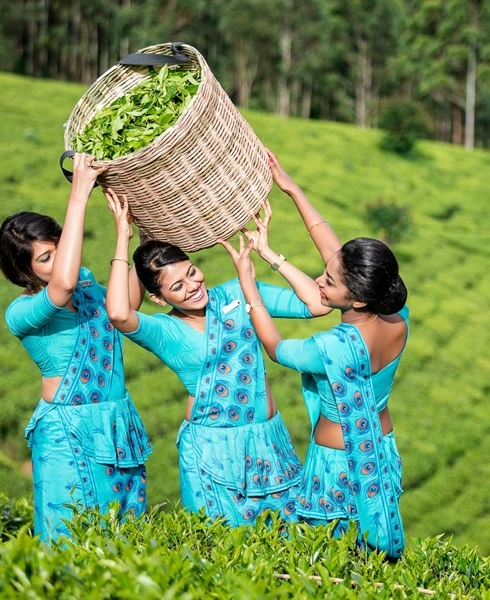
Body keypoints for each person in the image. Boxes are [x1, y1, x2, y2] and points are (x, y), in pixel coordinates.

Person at [220, 149, 409, 558]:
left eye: (328, 281)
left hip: (337, 466)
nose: (320, 281)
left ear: (357, 299)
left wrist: (248, 282)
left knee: (329, 564)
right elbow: (335, 253)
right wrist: (290, 188)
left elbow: (275, 348)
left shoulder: (330, 348)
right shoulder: (398, 317)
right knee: (371, 562)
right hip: (381, 449)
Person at [104, 190, 333, 527]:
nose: (193, 286)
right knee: (224, 550)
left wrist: (269, 255)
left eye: (192, 272)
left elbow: (317, 304)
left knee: (292, 542)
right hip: (213, 452)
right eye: (177, 287)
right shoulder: (165, 330)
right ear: (157, 297)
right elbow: (119, 313)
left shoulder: (238, 293)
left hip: (269, 442)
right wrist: (123, 239)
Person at [0, 153, 151, 542]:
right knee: (71, 541)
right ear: (24, 271)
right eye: (46, 257)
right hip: (69, 433)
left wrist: (131, 238)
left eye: (59, 246)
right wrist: (79, 190)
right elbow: (59, 287)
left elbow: (125, 306)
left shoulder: (82, 281)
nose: (61, 258)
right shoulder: (22, 312)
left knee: (126, 541)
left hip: (116, 423)